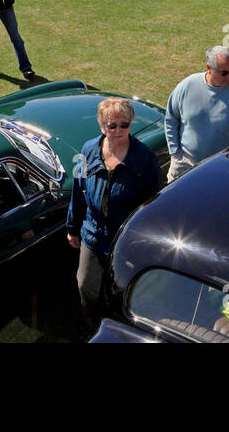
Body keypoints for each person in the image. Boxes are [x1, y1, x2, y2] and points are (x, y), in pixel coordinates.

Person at [66, 96, 162, 326]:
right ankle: (93, 328)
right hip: (93, 236)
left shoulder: (144, 158)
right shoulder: (89, 150)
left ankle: (118, 328)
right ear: (102, 126)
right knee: (85, 285)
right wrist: (72, 228)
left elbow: (154, 204)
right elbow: (79, 191)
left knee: (120, 288)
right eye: (112, 125)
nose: (119, 130)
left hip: (127, 240)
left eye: (124, 125)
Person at [164, 46, 229, 181]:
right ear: (209, 68)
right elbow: (171, 119)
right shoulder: (187, 86)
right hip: (185, 164)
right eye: (224, 73)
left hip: (221, 168)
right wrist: (175, 154)